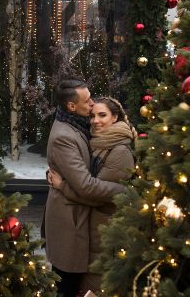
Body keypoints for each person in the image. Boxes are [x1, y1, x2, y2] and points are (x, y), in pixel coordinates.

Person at [43, 80, 126, 297]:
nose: (92, 103)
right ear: (71, 106)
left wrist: (61, 181)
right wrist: (125, 192)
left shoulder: (78, 124)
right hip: (69, 223)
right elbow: (86, 186)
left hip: (79, 219)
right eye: (87, 100)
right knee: (66, 284)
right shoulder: (64, 136)